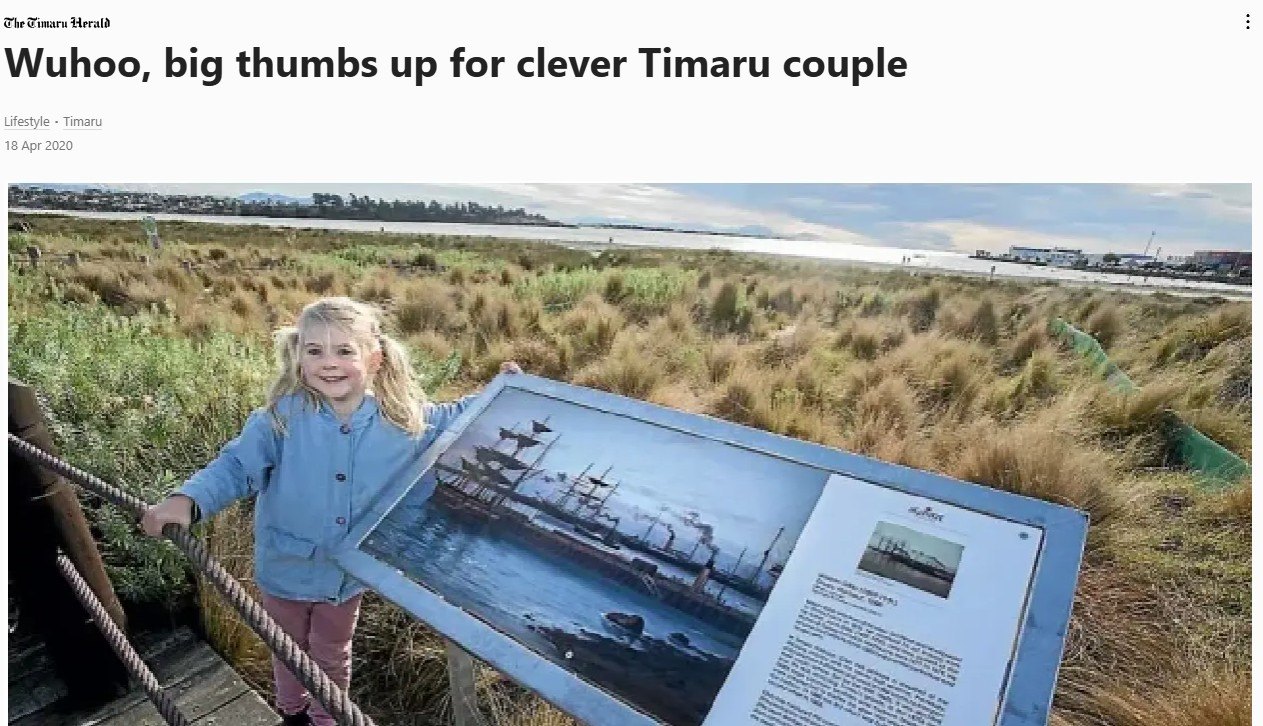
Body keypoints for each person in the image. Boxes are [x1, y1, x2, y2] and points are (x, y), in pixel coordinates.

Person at [141, 296, 521, 726]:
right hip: (283, 568)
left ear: (374, 359)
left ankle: (327, 719)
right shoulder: (281, 420)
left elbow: (453, 416)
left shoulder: (401, 421)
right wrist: (187, 501)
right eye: (315, 350)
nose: (329, 363)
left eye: (344, 350)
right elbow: (234, 467)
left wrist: (498, 391)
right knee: (285, 648)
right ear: (298, 356)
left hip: (344, 579)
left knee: (332, 654)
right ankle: (292, 713)